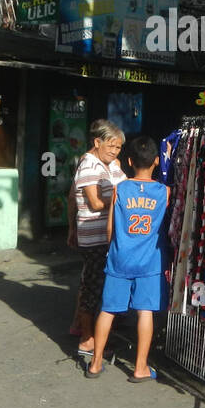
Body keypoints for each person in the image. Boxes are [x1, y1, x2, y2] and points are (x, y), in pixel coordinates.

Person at [86, 135, 169, 381]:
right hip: (149, 261)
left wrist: (114, 248)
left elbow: (110, 228)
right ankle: (140, 367)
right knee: (145, 312)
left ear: (130, 161)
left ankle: (95, 362)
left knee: (108, 310)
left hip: (120, 258)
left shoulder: (119, 188)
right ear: (156, 161)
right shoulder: (165, 192)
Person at [68, 119, 126, 357]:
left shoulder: (110, 164)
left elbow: (122, 185)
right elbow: (93, 203)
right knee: (92, 287)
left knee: (96, 285)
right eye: (111, 146)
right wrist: (120, 204)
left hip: (107, 237)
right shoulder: (89, 165)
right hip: (93, 237)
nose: (114, 151)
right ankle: (87, 339)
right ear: (97, 142)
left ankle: (85, 330)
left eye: (119, 147)